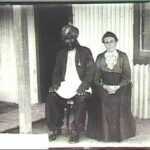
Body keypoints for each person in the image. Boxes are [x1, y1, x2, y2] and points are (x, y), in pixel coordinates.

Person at [45, 24, 95, 143]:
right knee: (51, 97)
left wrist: (83, 86)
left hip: (81, 85)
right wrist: (56, 85)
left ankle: (75, 131)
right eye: (66, 39)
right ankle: (55, 128)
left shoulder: (85, 52)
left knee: (82, 99)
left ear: (75, 38)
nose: (69, 41)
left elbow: (90, 71)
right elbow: (56, 72)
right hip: (65, 85)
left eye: (71, 38)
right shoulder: (60, 54)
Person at [86, 31, 136, 142]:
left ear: (116, 42)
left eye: (111, 41)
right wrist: (104, 86)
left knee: (119, 101)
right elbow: (96, 76)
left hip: (120, 86)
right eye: (106, 42)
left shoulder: (123, 56)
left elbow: (127, 76)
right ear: (104, 44)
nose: (109, 44)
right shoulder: (99, 57)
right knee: (103, 100)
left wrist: (118, 86)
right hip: (104, 86)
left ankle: (120, 134)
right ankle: (105, 135)